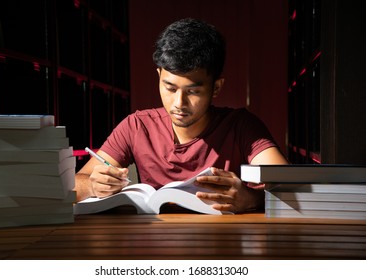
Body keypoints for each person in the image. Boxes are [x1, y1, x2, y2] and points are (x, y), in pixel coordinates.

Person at [74, 18, 288, 213]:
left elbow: (290, 186)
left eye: (193, 91)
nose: (178, 103)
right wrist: (93, 185)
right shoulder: (137, 126)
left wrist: (251, 198)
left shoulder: (241, 126)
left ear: (216, 87)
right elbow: (76, 182)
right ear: (159, 76)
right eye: (170, 88)